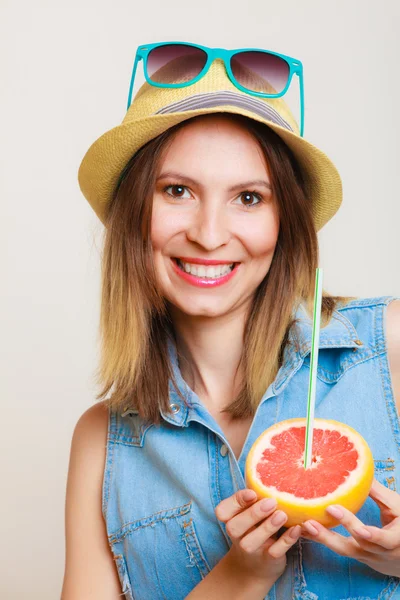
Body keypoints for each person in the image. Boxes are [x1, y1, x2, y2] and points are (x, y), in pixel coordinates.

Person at [61, 43, 400, 600]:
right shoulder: (102, 443)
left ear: (284, 223)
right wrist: (238, 579)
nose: (210, 233)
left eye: (248, 197)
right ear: (131, 216)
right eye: (177, 191)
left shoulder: (387, 344)